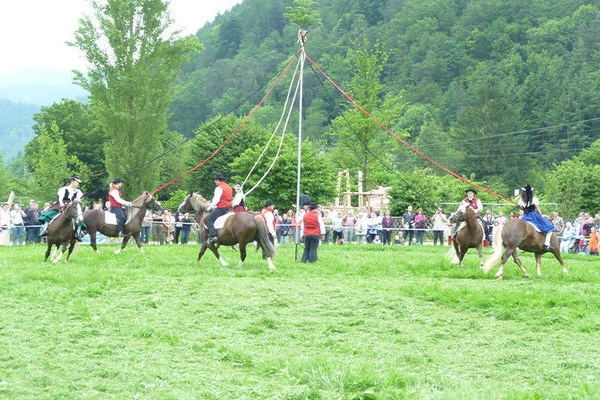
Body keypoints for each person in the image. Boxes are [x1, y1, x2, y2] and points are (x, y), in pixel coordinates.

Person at [518, 184, 555, 250]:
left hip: (525, 216)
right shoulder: (534, 199)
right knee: (550, 226)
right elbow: (538, 208)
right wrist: (541, 216)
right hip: (534, 216)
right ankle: (546, 243)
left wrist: (521, 207)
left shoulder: (521, 201)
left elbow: (522, 210)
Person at [205, 174, 233, 244]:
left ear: (217, 180)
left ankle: (213, 236)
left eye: (215, 180)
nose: (215, 182)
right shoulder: (229, 187)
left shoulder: (219, 188)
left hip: (222, 208)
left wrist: (209, 207)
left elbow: (216, 200)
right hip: (230, 208)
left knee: (208, 219)